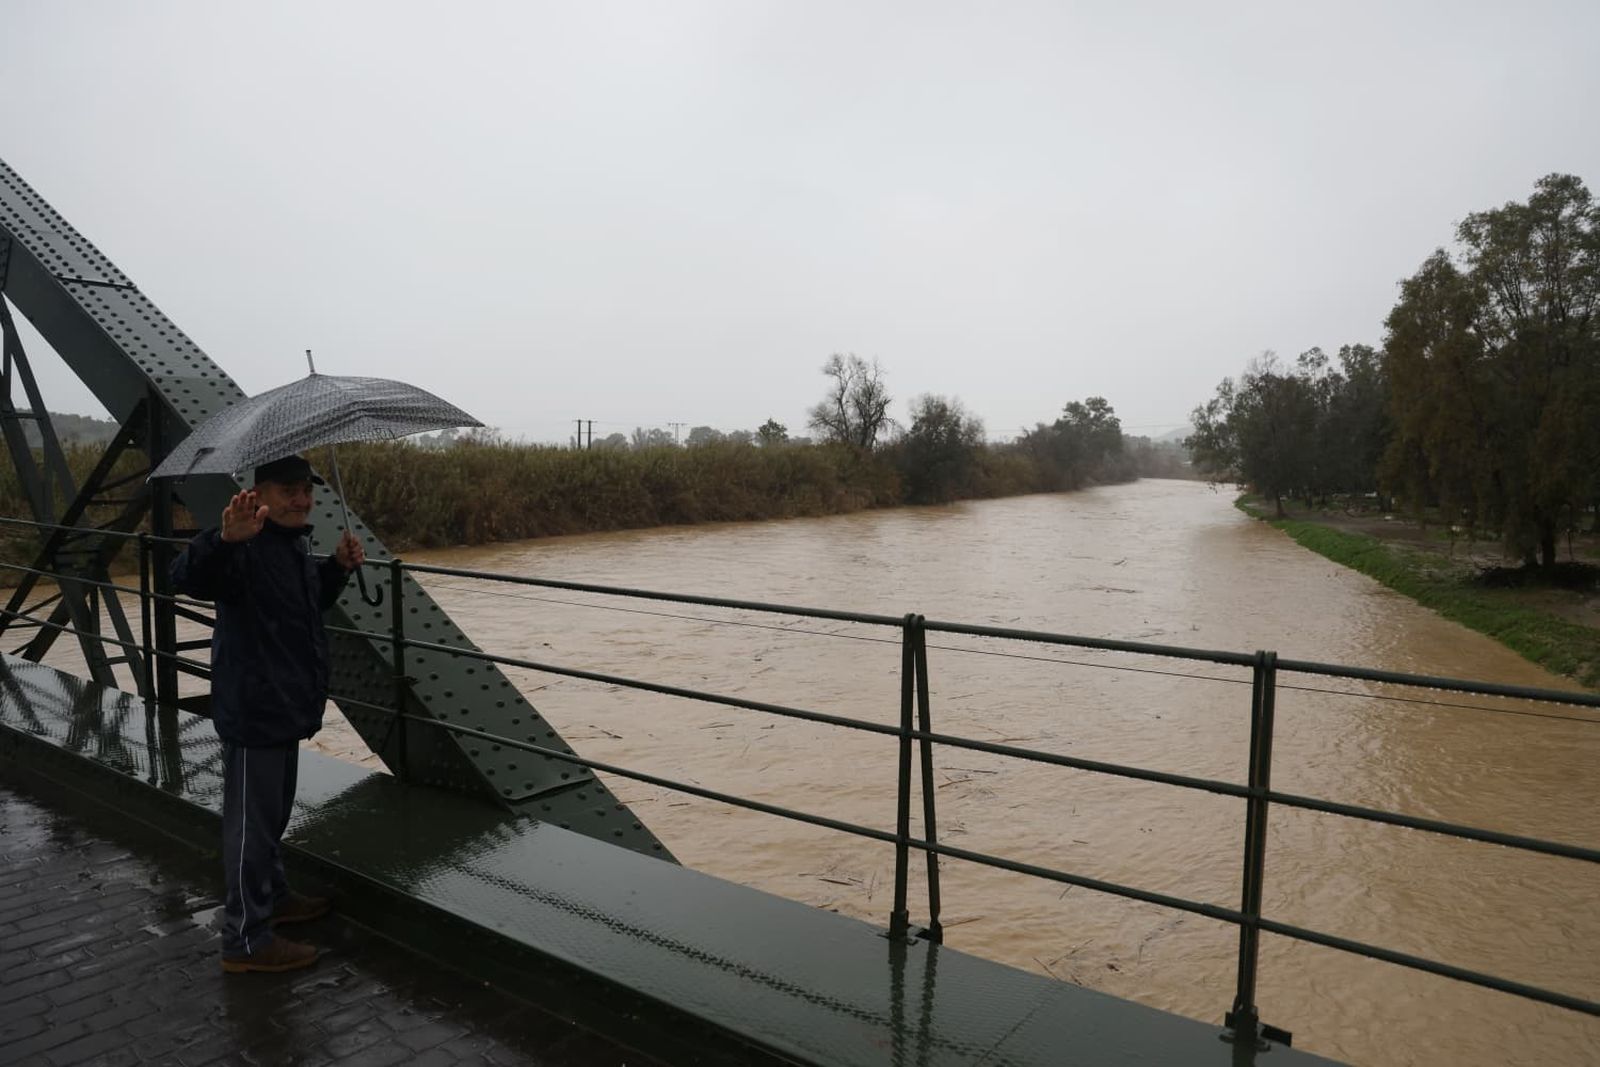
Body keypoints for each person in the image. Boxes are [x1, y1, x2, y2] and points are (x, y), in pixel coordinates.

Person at [172, 454, 366, 973]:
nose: (302, 499)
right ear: (258, 495)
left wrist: (337, 570)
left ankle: (273, 900)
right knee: (250, 828)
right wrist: (222, 539)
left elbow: (306, 604)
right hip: (257, 708)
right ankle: (245, 940)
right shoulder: (244, 545)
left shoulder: (291, 545)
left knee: (272, 817)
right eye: (289, 490)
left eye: (306, 489)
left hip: (285, 705)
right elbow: (186, 576)